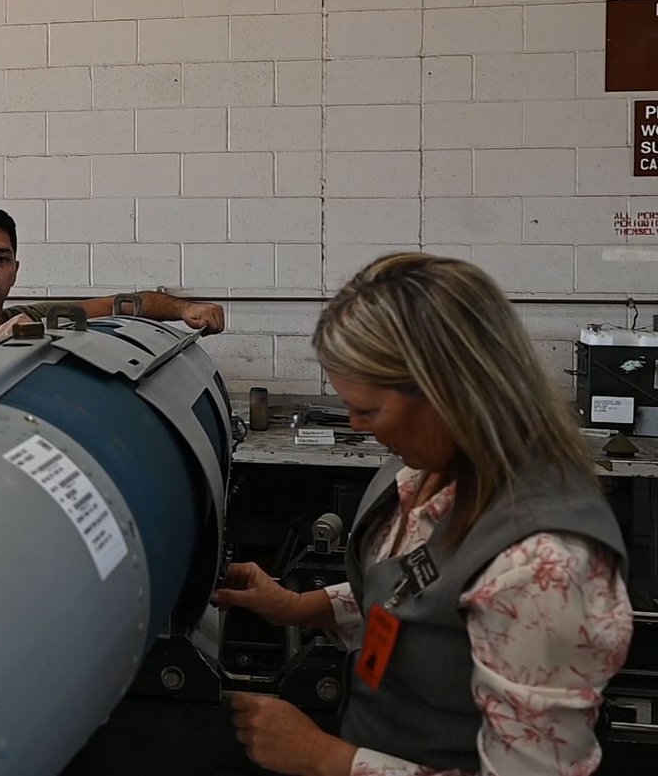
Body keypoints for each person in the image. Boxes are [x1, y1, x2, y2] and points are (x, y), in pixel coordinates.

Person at [214, 253, 633, 776]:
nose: (356, 425)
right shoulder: (422, 466)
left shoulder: (545, 568)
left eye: (368, 410)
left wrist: (326, 758)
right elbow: (419, 589)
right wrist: (300, 607)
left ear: (447, 394)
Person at [0, 206, 226, 377]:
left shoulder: (36, 320)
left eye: (1, 258)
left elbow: (123, 305)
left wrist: (184, 310)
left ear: (15, 270)